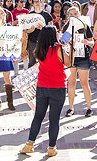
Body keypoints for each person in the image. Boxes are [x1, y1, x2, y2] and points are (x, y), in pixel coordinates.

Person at [19, 25, 74, 157]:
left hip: (42, 86)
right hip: (58, 87)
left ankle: (29, 144)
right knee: (54, 119)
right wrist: (71, 48)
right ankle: (51, 148)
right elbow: (69, 63)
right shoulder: (58, 49)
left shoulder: (39, 49)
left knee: (38, 116)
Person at [63, 7, 95, 117]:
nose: (73, 15)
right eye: (71, 14)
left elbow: (92, 42)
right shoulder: (67, 28)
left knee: (84, 83)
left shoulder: (85, 26)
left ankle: (89, 108)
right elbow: (62, 43)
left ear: (79, 14)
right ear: (68, 16)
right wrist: (68, 42)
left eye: (75, 13)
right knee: (71, 84)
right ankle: (70, 108)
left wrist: (87, 42)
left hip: (83, 58)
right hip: (71, 58)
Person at [27, 0, 53, 68]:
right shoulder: (29, 15)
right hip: (32, 40)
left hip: (44, 41)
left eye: (38, 1)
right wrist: (30, 30)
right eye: (35, 2)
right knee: (32, 61)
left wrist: (43, 28)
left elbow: (51, 29)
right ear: (32, 4)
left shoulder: (47, 15)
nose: (37, 3)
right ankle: (32, 78)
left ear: (42, 2)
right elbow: (25, 30)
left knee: (45, 60)